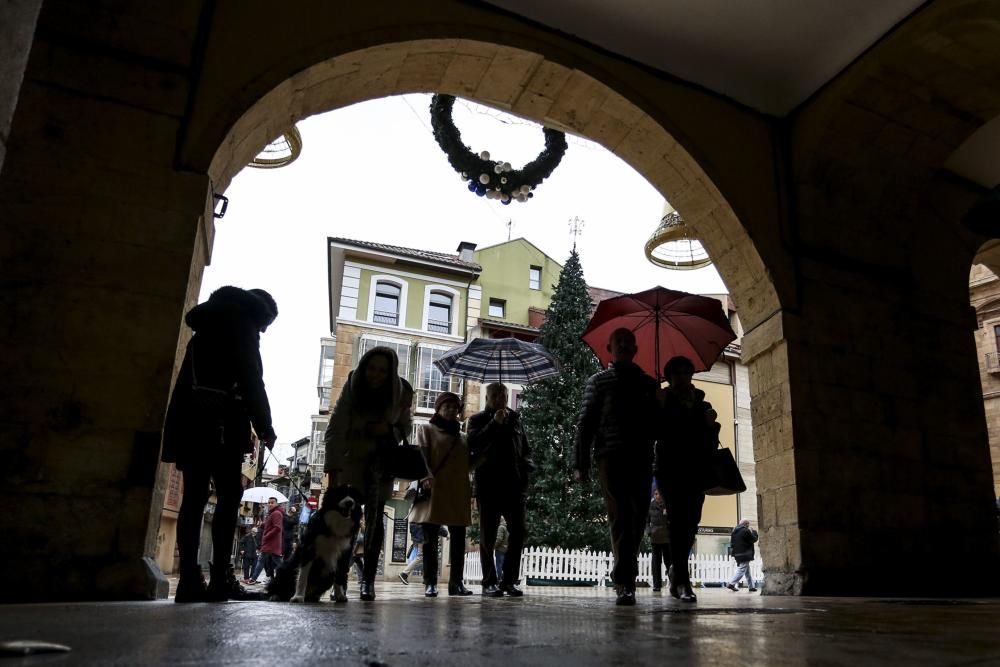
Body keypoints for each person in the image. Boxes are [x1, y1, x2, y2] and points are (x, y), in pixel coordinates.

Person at [161, 286, 278, 602]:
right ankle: (221, 580)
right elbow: (253, 379)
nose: (263, 331)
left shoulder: (204, 326)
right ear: (260, 315)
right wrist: (265, 426)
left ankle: (188, 580)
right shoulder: (242, 325)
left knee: (194, 499)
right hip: (222, 426)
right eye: (265, 325)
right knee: (229, 498)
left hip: (191, 423)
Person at [573, 328, 659, 606]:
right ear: (609, 348)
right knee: (620, 517)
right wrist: (580, 464)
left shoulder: (648, 384)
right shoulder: (598, 382)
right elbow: (585, 425)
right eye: (617, 341)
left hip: (642, 458)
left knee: (636, 520)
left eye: (627, 342)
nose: (622, 345)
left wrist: (658, 402)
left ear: (635, 349)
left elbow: (659, 426)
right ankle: (625, 581)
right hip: (610, 457)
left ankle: (624, 575)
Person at [324, 346, 413, 601]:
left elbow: (405, 426)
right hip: (351, 461)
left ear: (391, 372)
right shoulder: (353, 385)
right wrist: (333, 472)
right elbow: (336, 427)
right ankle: (339, 581)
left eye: (383, 370)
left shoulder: (402, 391)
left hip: (382, 465)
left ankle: (368, 582)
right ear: (364, 367)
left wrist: (389, 430)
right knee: (347, 523)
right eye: (372, 368)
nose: (376, 374)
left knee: (375, 525)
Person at [655, 355, 721, 603]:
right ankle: (682, 580)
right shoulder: (661, 400)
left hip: (696, 471)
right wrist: (657, 408)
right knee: (676, 522)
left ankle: (675, 570)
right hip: (669, 469)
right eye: (677, 373)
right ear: (669, 377)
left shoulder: (703, 405)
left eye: (686, 372)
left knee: (691, 523)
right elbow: (654, 433)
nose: (682, 377)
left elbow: (711, 444)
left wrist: (712, 426)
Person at [467, 382, 532, 598]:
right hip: (489, 487)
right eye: (495, 395)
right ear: (487, 397)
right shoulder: (477, 420)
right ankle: (489, 583)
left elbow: (525, 449)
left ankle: (509, 581)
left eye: (503, 395)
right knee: (488, 536)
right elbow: (474, 445)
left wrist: (526, 472)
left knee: (519, 533)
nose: (500, 398)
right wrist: (494, 423)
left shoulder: (515, 419)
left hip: (514, 487)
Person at [410, 392, 475, 597]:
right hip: (434, 490)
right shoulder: (426, 429)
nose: (452, 410)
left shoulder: (463, 437)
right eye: (447, 406)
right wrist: (425, 477)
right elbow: (420, 457)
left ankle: (456, 583)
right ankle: (430, 582)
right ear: (438, 409)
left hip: (457, 492)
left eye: (455, 407)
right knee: (430, 540)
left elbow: (468, 465)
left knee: (458, 540)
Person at [249, 496, 284, 583]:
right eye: (268, 502)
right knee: (276, 562)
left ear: (276, 504)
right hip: (269, 543)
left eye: (272, 502)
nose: (270, 504)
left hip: (271, 542)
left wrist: (266, 536)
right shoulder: (271, 514)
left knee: (263, 561)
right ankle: (253, 579)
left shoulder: (276, 513)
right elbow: (267, 525)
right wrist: (261, 524)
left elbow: (277, 528)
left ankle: (253, 579)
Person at [646, 487, 670, 592]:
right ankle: (657, 585)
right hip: (655, 537)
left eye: (659, 494)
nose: (657, 496)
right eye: (655, 494)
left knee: (668, 561)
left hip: (667, 537)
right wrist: (649, 531)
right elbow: (646, 521)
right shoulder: (650, 506)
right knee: (656, 563)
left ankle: (673, 584)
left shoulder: (668, 505)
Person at [726, 518, 759, 592]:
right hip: (745, 554)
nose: (748, 526)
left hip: (737, 554)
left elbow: (732, 543)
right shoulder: (746, 530)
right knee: (741, 569)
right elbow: (753, 539)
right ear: (746, 524)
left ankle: (751, 587)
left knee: (747, 571)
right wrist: (754, 532)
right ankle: (731, 584)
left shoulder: (734, 531)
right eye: (748, 524)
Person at [494, 518, 509, 583]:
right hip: (507, 549)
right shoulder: (507, 527)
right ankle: (505, 581)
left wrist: (493, 546)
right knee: (505, 566)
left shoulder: (501, 527)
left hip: (500, 549)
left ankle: (499, 580)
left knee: (499, 566)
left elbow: (499, 539)